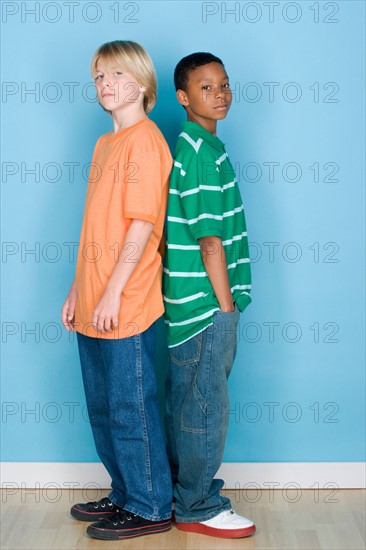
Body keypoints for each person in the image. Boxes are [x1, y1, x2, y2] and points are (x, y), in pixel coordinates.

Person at [61, 40, 173, 541]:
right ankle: (125, 492)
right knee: (104, 406)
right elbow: (97, 227)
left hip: (125, 302)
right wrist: (77, 290)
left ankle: (151, 505)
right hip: (92, 297)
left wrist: (110, 293)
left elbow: (141, 226)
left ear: (143, 83)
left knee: (132, 407)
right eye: (99, 77)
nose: (106, 85)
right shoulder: (105, 144)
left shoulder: (146, 141)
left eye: (117, 75)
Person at [163, 52, 256, 538]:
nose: (219, 94)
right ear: (183, 97)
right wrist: (224, 305)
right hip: (205, 306)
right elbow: (210, 240)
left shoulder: (200, 146)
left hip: (188, 306)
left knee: (187, 403)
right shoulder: (198, 151)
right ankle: (198, 505)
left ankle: (182, 494)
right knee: (205, 407)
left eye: (224, 84)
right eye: (205, 87)